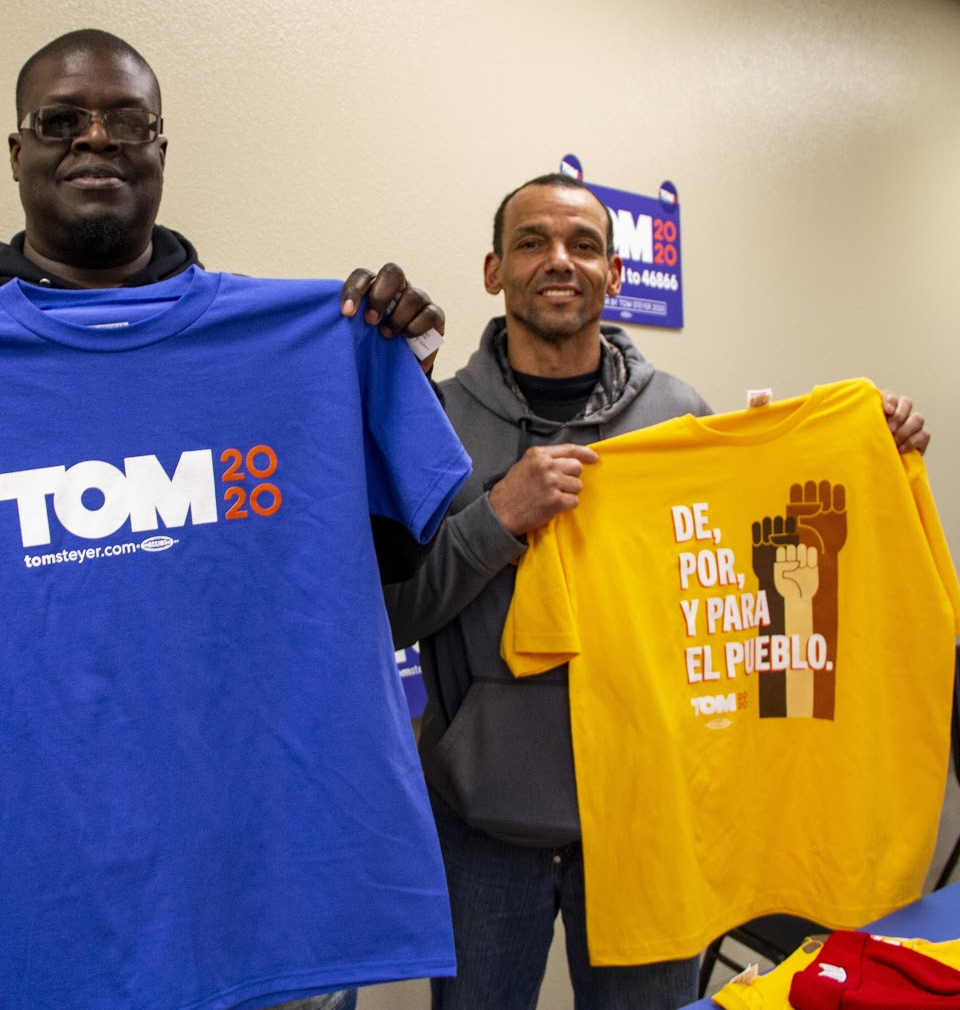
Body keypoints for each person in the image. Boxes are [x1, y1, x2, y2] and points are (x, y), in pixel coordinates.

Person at [384, 172, 929, 1010]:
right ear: (494, 271)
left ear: (614, 273)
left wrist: (853, 459)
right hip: (484, 823)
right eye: (532, 242)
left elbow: (740, 600)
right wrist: (497, 519)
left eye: (584, 245)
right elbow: (394, 612)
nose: (559, 260)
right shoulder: (439, 421)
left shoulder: (679, 415)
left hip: (652, 816)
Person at [0, 29, 445, 664]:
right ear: (16, 154)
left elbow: (389, 550)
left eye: (129, 121)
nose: (96, 138)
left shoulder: (287, 355)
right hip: (27, 760)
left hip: (254, 757)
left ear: (160, 153)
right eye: (60, 121)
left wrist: (399, 382)